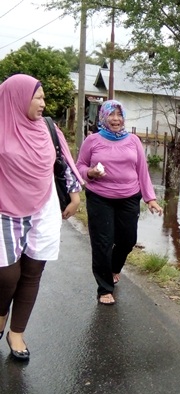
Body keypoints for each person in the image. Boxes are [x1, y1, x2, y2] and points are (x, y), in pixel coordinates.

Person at [0, 74, 83, 361]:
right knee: (7, 274)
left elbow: (62, 162)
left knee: (34, 270)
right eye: (39, 97)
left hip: (43, 205)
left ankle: (17, 332)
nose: (43, 103)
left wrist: (74, 194)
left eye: (44, 97)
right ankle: (1, 310)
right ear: (19, 97)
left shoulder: (48, 128)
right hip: (4, 209)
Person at [76, 99, 163, 305]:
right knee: (102, 243)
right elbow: (79, 166)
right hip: (100, 198)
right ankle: (105, 288)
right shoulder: (93, 140)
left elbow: (142, 170)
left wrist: (150, 198)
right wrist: (90, 172)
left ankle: (114, 267)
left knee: (127, 240)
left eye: (119, 115)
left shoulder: (133, 140)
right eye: (111, 115)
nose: (116, 119)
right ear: (103, 117)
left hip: (129, 197)